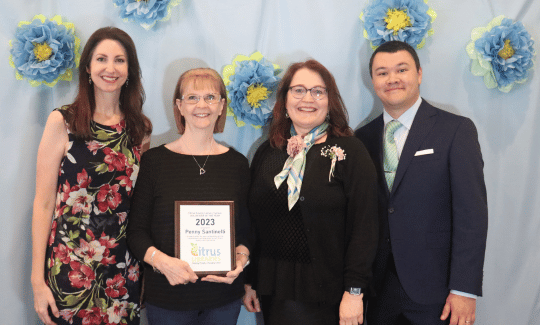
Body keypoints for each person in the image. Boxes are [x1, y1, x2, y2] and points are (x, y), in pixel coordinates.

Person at [355, 40, 488, 325]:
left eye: (401, 69)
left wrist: (464, 288)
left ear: (419, 73)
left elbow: (472, 216)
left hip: (437, 292)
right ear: (373, 80)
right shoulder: (362, 139)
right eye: (382, 73)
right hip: (378, 291)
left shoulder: (455, 130)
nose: (392, 79)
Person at [31, 27, 152, 325]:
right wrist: (37, 279)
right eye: (101, 59)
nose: (110, 68)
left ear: (130, 70)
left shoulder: (140, 129)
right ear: (88, 68)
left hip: (123, 269)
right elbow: (44, 203)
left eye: (120, 60)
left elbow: (141, 207)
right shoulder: (63, 121)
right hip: (71, 268)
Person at [243, 59, 378, 325]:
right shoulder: (267, 151)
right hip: (274, 289)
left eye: (318, 91)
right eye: (299, 90)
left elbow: (365, 227)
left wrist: (354, 292)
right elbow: (256, 221)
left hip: (330, 292)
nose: (308, 99)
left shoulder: (350, 151)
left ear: (330, 100)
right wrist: (250, 280)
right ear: (285, 99)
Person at [127, 68, 251, 325]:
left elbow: (248, 231)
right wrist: (162, 263)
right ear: (180, 106)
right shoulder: (154, 162)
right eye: (192, 98)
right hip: (167, 299)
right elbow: (136, 231)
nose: (202, 105)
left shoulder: (237, 164)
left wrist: (240, 261)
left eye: (210, 97)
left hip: (224, 299)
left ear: (221, 106)